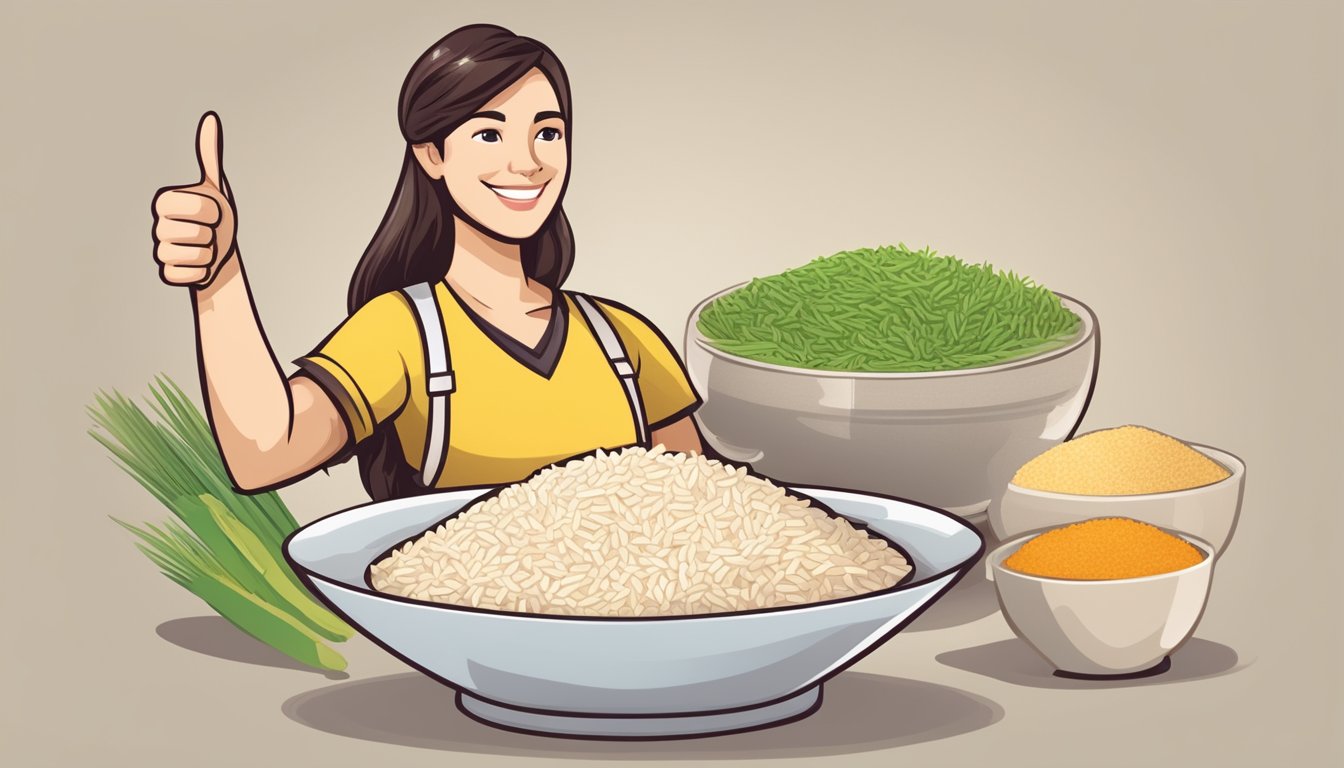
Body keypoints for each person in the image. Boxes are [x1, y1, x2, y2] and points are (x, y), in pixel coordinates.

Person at [150, 24, 703, 501]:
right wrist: (218, 278)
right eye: (489, 133)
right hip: (458, 618)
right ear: (432, 153)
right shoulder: (404, 332)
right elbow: (265, 454)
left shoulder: (620, 337)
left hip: (632, 617)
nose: (528, 162)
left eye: (548, 132)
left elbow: (705, 505)